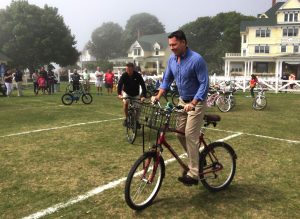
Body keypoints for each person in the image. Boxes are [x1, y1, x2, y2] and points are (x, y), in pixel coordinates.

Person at [152, 30, 209, 186]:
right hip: (182, 101)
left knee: (190, 135)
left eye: (174, 44)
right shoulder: (172, 60)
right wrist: (158, 95)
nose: (172, 47)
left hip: (196, 102)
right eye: (170, 45)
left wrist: (194, 102)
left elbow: (204, 84)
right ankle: (196, 160)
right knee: (179, 133)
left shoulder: (196, 60)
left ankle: (194, 173)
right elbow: (167, 80)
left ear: (184, 42)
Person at [117, 63, 147, 127]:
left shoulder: (138, 75)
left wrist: (143, 96)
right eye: (127, 70)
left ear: (133, 69)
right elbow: (120, 84)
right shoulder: (124, 75)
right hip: (126, 93)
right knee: (126, 103)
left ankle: (136, 121)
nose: (128, 71)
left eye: (129, 70)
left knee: (138, 107)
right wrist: (119, 94)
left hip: (136, 94)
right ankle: (127, 118)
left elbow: (143, 85)